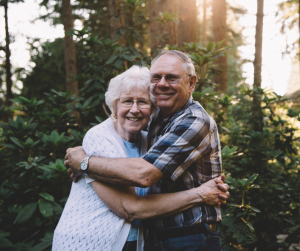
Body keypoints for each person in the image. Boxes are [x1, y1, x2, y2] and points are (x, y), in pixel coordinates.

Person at [65, 51, 229, 250]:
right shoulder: (158, 116)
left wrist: (84, 163)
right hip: (158, 238)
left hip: (189, 237)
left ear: (191, 83)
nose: (162, 84)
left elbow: (145, 174)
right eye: (156, 77)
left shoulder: (194, 120)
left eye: (171, 77)